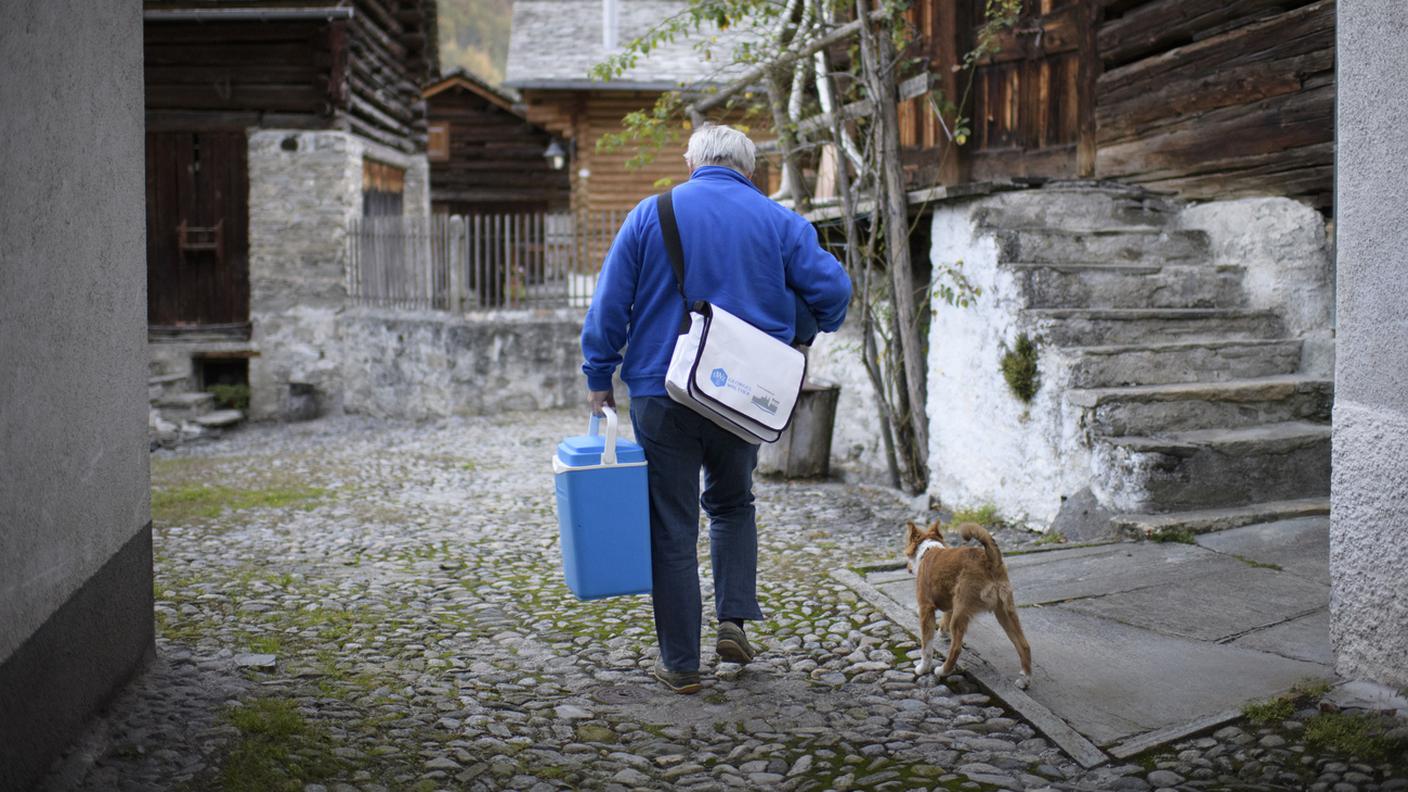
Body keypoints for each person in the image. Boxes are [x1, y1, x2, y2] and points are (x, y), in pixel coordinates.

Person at [580, 124, 852, 693]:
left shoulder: (651, 212)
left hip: (661, 388)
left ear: (693, 162)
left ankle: (681, 664)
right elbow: (835, 294)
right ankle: (732, 620)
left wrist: (598, 374)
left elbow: (611, 301)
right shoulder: (780, 222)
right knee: (732, 504)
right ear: (749, 170)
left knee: (672, 527)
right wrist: (799, 324)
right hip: (742, 393)